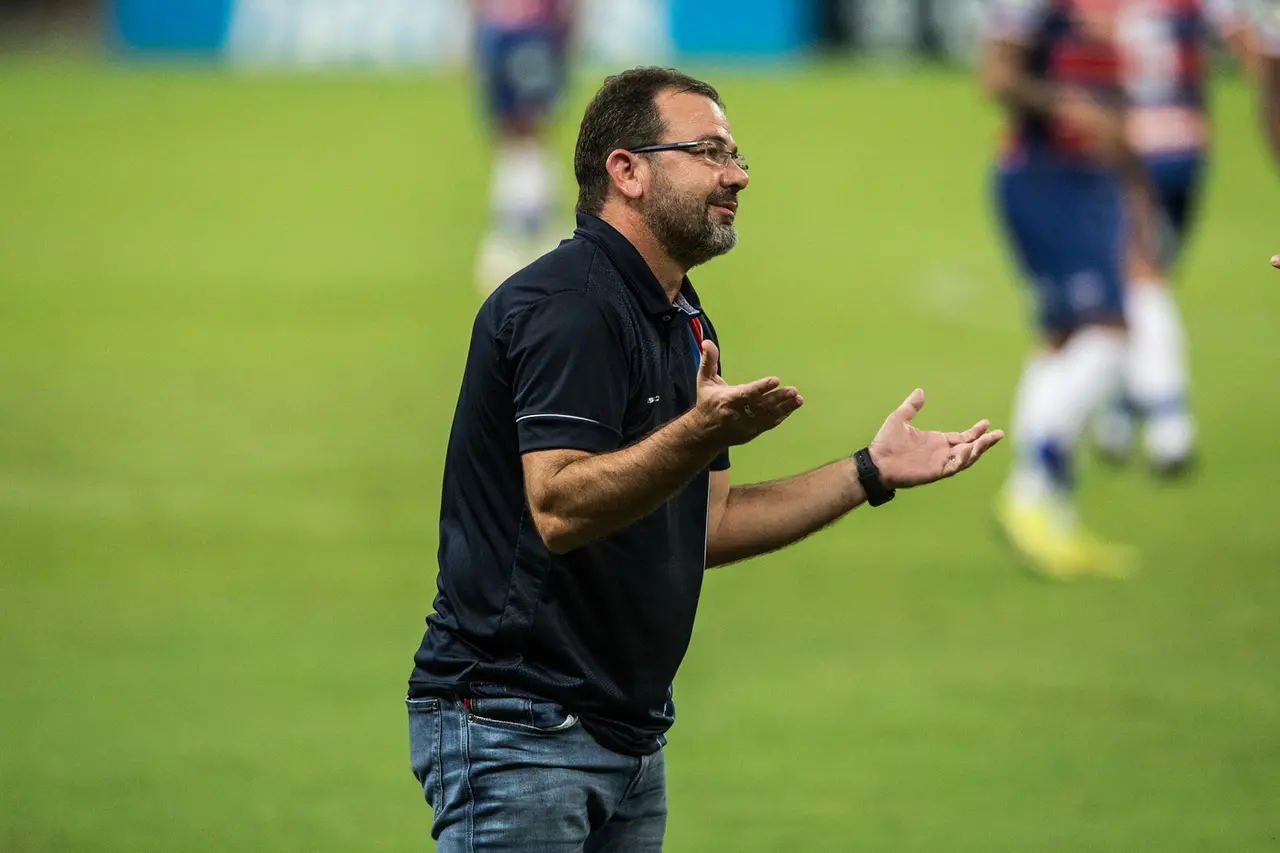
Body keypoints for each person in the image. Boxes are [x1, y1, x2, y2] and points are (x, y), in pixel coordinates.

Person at [406, 66, 1004, 851]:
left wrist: (869, 470)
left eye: (737, 153)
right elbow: (557, 507)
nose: (739, 174)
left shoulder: (680, 311)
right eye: (709, 151)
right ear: (628, 171)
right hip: (520, 725)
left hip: (623, 735)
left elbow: (708, 522)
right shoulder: (570, 308)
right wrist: (699, 433)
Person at [983, 0, 1154, 579]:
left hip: (1087, 181)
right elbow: (999, 77)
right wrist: (1070, 106)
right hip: (1045, 177)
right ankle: (1031, 493)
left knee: (1061, 339)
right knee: (1108, 333)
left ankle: (1047, 515)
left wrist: (1130, 181)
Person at [1090, 0, 1252, 474]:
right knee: (1144, 277)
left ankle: (1169, 425)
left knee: (1140, 280)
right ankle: (1120, 415)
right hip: (1187, 146)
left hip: (1129, 148)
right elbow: (1244, 40)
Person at [471, 0, 575, 294]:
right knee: (509, 135)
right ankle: (521, 233)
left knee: (529, 130)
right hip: (499, 33)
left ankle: (531, 235)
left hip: (533, 32)